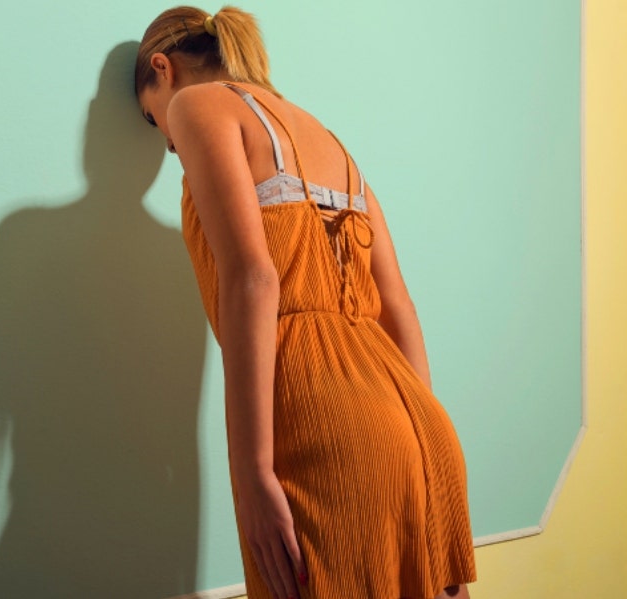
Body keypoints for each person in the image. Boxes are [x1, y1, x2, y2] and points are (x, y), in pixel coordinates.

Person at [135, 6, 477, 599]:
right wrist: (416, 448)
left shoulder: (198, 106)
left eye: (152, 121)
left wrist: (251, 473)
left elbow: (253, 279)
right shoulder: (329, 138)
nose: (168, 141)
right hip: (420, 425)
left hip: (326, 425)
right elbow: (399, 308)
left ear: (161, 69)